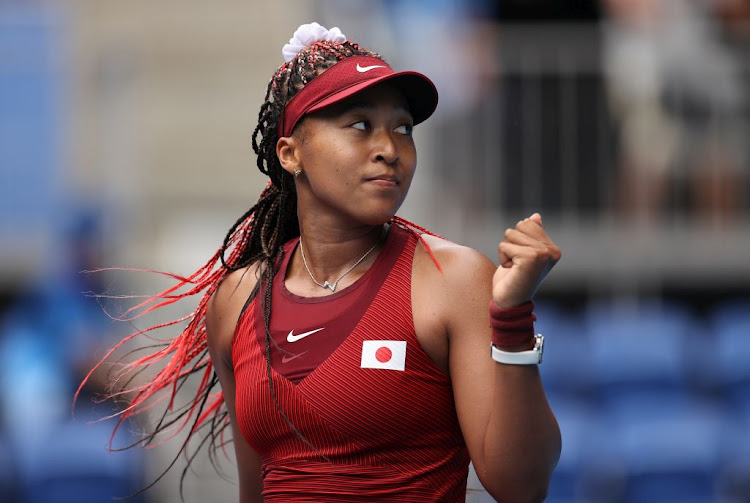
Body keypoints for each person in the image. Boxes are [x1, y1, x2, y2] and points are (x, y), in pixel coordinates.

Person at [79, 22, 561, 503]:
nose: (389, 149)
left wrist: (513, 316)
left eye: (403, 128)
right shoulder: (238, 299)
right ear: (291, 154)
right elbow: (259, 491)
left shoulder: (453, 280)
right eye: (359, 125)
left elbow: (522, 486)